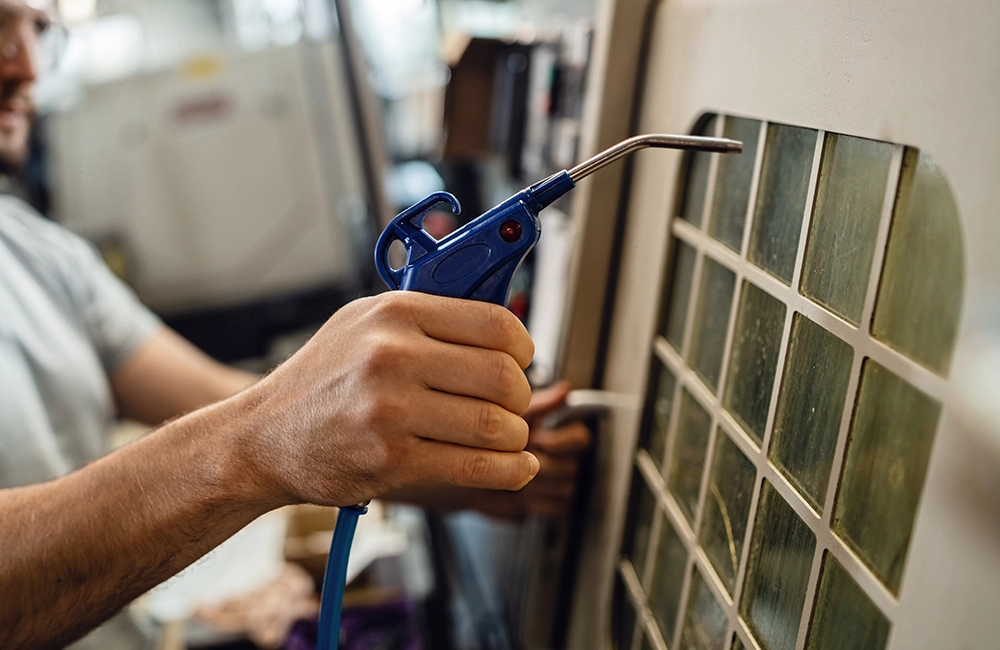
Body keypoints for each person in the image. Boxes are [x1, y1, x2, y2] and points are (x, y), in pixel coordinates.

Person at [0, 1, 589, 648]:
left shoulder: (36, 251)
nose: (26, 64)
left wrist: (452, 456)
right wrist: (260, 440)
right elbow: (252, 425)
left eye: (36, 30)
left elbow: (212, 398)